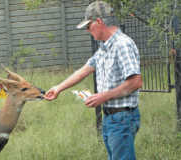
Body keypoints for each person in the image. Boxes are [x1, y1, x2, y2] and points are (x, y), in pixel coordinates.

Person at [44, 1, 143, 160]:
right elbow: (85, 70)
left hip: (122, 118)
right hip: (110, 117)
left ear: (99, 21)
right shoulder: (104, 47)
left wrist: (103, 96)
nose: (87, 31)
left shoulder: (122, 45)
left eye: (88, 26)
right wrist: (58, 88)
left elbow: (135, 82)